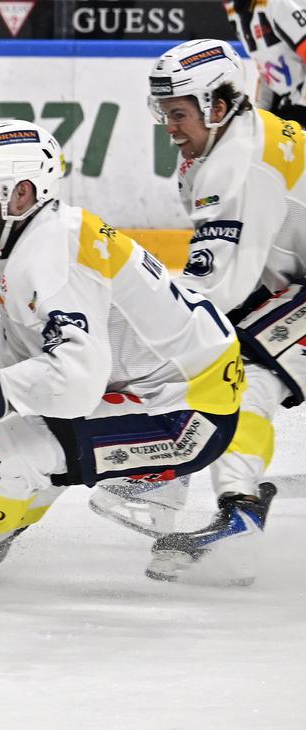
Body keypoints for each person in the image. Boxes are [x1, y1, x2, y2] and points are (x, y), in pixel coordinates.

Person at [0, 120, 245, 607]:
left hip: (189, 413)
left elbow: (76, 383)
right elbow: (33, 359)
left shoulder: (51, 256)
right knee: (15, 440)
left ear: (20, 193)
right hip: (148, 388)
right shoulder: (26, 246)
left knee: (21, 450)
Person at [93, 38, 303, 583]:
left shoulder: (238, 167)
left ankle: (226, 507)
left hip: (292, 288)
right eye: (163, 112)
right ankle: (190, 485)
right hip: (290, 281)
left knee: (240, 367)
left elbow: (215, 292)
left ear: (218, 105)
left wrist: (124, 344)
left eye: (179, 113)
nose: (169, 126)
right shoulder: (229, 140)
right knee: (223, 355)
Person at [225, 0, 306, 125]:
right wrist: (259, 117)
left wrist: (301, 107)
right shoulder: (235, 12)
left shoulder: (277, 5)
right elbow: (267, 69)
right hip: (290, 102)